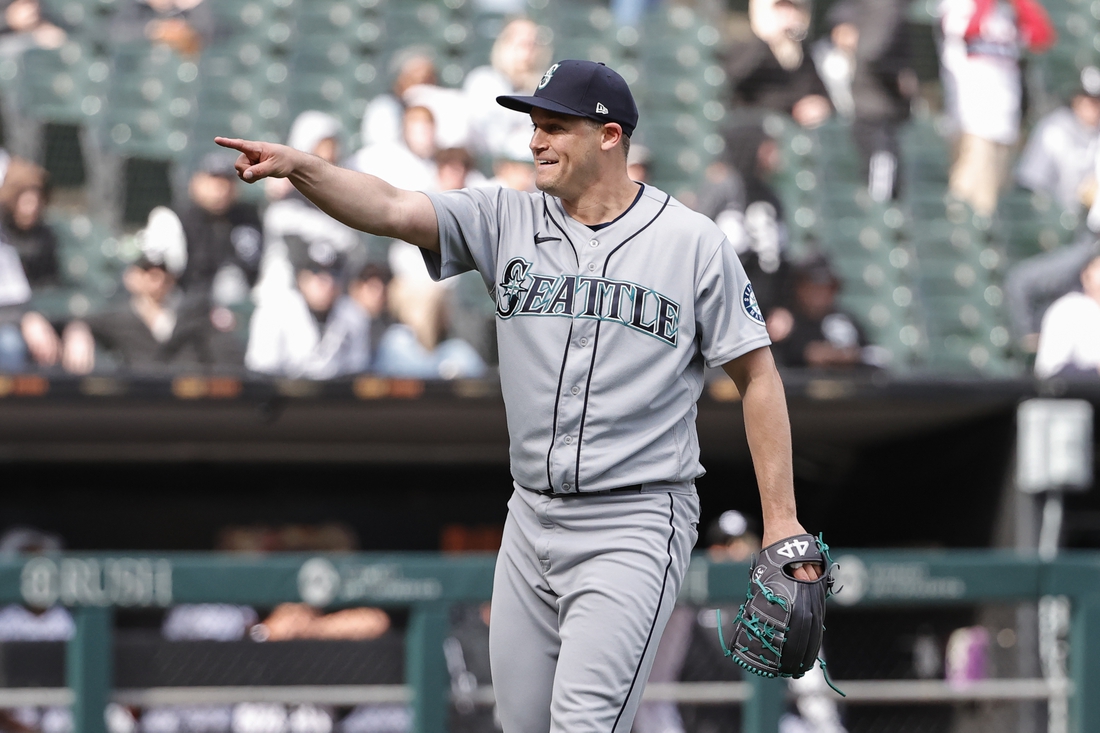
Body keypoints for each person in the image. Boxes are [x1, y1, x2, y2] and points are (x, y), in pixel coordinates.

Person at [216, 58, 818, 733]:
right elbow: (389, 206)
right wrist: (303, 168)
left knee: (584, 724)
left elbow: (758, 375)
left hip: (637, 521)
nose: (535, 141)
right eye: (534, 125)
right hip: (530, 517)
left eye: (555, 126)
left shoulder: (693, 243)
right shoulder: (504, 217)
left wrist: (782, 518)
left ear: (610, 136)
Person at [62, 234, 244, 373]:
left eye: (162, 272)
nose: (156, 279)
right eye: (147, 272)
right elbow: (80, 322)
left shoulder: (193, 311)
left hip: (192, 399)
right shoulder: (120, 317)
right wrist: (77, 331)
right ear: (131, 277)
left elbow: (225, 353)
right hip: (146, 401)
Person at [939, 0, 1056, 216]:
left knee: (996, 193)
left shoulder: (1008, 11)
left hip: (1005, 115)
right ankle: (962, 240)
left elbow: (1042, 37)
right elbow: (964, 29)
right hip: (971, 116)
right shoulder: (958, 4)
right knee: (972, 192)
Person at [148, 152, 264, 305]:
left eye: (227, 181)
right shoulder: (172, 219)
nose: (221, 189)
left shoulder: (249, 218)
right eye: (214, 181)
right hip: (185, 309)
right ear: (196, 182)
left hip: (239, 310)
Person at [725, 0, 832, 129]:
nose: (788, 15)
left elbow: (821, 92)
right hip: (756, 130)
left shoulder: (803, 54)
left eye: (793, 9)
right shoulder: (746, 49)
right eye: (781, 9)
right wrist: (769, 38)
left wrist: (818, 104)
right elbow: (732, 81)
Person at [463, 17, 553, 159]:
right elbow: (488, 142)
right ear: (504, 45)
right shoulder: (482, 82)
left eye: (533, 44)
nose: (528, 52)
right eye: (522, 44)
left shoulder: (544, 88)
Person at [767, 255, 878, 369]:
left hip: (850, 384)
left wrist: (847, 355)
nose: (821, 293)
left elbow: (872, 355)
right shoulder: (786, 322)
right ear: (798, 288)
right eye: (813, 286)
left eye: (828, 287)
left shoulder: (845, 320)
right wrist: (809, 353)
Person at [1016, 69, 1100, 214]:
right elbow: (1030, 184)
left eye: (1097, 102)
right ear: (1076, 100)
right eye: (1089, 101)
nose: (1094, 108)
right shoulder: (1054, 129)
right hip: (1053, 221)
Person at [1034, 252, 1100, 377]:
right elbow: (1049, 372)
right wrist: (1095, 371)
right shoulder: (1068, 309)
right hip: (1080, 394)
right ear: (1086, 275)